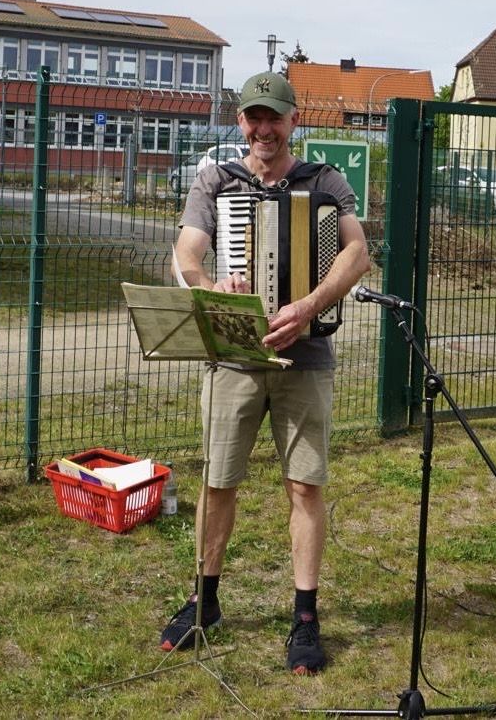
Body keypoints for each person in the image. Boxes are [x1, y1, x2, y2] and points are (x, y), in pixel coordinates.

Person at [160, 70, 372, 675]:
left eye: (273, 117)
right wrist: (211, 286)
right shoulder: (216, 180)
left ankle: (305, 616)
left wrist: (308, 306)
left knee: (305, 486)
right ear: (241, 122)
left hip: (307, 358)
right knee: (218, 481)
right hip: (234, 356)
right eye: (253, 117)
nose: (263, 129)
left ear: (292, 121)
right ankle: (205, 601)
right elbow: (186, 253)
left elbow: (358, 252)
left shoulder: (325, 181)